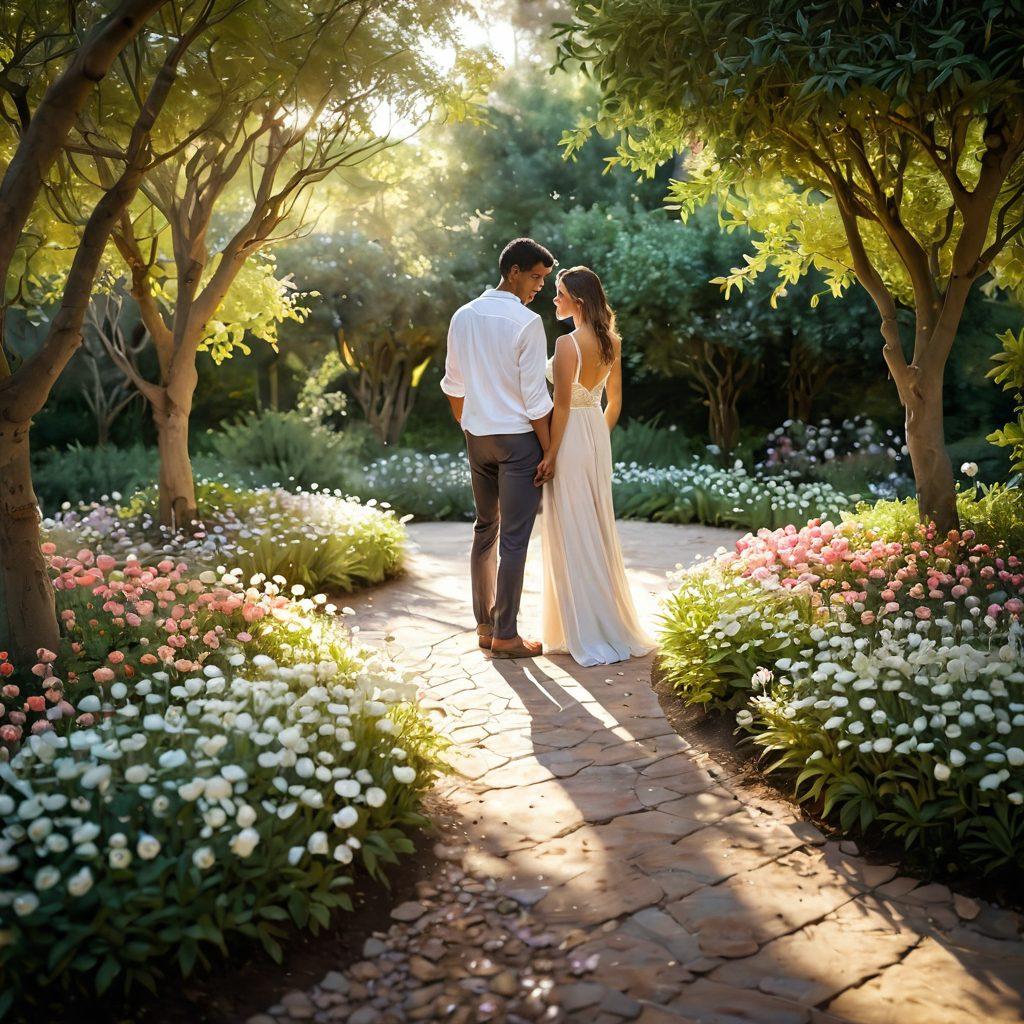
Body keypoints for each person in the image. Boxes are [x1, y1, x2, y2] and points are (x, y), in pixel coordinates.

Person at [440, 237, 555, 659]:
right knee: (515, 540)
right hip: (518, 442)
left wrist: (470, 424)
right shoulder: (526, 322)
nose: (540, 286)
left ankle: (486, 627)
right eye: (537, 277)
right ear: (514, 271)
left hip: (479, 438)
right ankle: (507, 634)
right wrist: (549, 451)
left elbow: (453, 384)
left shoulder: (463, 315)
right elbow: (536, 399)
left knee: (485, 529)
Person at [538, 266, 656, 666]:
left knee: (572, 526)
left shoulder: (568, 343)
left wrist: (552, 454)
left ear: (578, 300)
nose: (554, 299)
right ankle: (601, 620)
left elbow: (563, 406)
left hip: (570, 436)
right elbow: (615, 403)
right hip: (594, 439)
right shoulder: (612, 343)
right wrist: (595, 440)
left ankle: (584, 629)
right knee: (595, 525)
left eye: (559, 294)